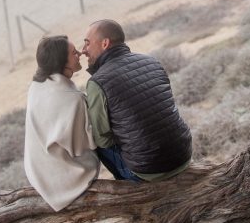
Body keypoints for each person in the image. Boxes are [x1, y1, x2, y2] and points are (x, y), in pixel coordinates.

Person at [82, 19, 192, 182]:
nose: (83, 50)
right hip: (183, 155)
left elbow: (103, 140)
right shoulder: (152, 61)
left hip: (148, 170)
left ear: (105, 43)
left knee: (94, 141)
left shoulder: (98, 82)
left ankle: (127, 183)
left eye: (87, 43)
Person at [24, 35, 99, 211]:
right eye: (74, 53)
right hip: (66, 180)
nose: (80, 53)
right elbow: (83, 146)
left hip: (37, 173)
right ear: (61, 62)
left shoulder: (37, 86)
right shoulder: (72, 100)